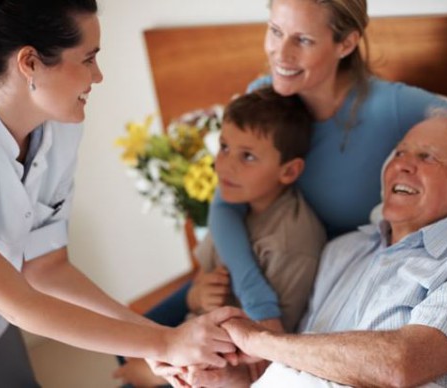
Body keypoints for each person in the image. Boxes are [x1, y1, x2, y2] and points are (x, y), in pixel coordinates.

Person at [146, 0, 447, 339]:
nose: (281, 55)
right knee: (136, 337)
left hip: (306, 289)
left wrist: (264, 310)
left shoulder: (391, 106)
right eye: (274, 31)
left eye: (302, 40)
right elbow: (226, 202)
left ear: (346, 43)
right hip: (245, 270)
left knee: (154, 368)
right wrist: (239, 292)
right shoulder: (265, 93)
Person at [0, 1, 242, 386]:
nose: (98, 76)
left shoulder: (58, 123)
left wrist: (153, 344)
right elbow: (22, 304)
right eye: (88, 59)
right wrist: (164, 342)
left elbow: (45, 267)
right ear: (30, 62)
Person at [189, 109, 447, 387]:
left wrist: (258, 340)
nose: (403, 165)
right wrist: (229, 377)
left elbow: (400, 364)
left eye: (427, 157)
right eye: (399, 153)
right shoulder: (343, 250)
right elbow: (304, 360)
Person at [113, 87, 327, 387]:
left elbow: (267, 344)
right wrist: (196, 294)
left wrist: (151, 373)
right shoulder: (238, 203)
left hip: (214, 362)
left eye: (248, 156)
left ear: (289, 171)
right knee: (121, 347)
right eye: (224, 146)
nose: (224, 164)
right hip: (192, 329)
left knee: (130, 371)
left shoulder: (290, 244)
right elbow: (203, 275)